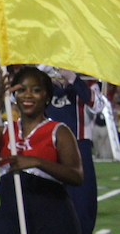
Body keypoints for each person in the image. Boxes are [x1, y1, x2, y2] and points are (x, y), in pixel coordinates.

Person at [0, 66, 83, 234]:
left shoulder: (59, 131)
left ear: (46, 97)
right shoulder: (6, 131)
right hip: (10, 219)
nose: (28, 95)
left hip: (52, 221)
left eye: (36, 90)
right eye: (22, 90)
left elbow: (76, 176)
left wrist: (37, 162)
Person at [39, 66, 98, 234]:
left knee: (83, 201)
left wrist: (74, 80)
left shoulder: (88, 83)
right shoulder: (46, 86)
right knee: (48, 199)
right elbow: (18, 97)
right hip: (51, 147)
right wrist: (43, 75)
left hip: (80, 147)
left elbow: (97, 105)